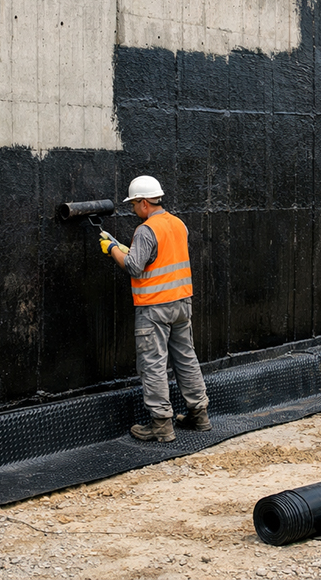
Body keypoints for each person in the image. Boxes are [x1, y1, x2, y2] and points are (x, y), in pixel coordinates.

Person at [99, 176, 210, 443]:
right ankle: (199, 415)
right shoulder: (177, 224)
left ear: (145, 202)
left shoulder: (146, 230)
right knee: (186, 358)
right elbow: (160, 259)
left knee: (153, 364)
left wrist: (113, 248)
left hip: (154, 307)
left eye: (135, 204)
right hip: (182, 303)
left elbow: (134, 267)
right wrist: (131, 252)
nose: (133, 209)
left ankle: (161, 425)